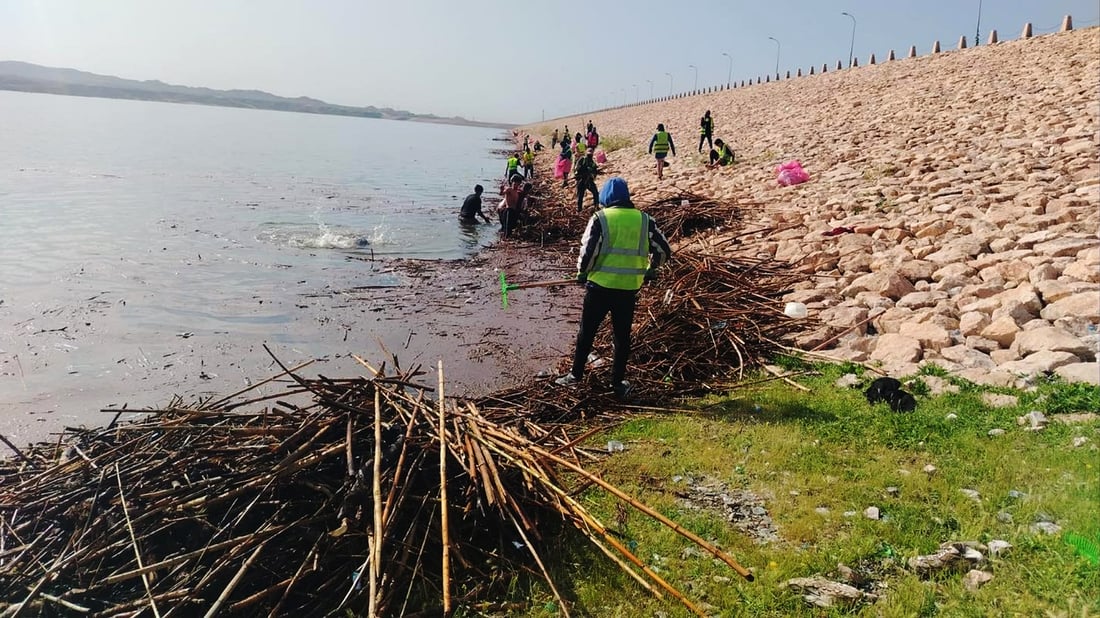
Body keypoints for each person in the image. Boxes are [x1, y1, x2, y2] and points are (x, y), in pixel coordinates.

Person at [555, 177, 672, 399]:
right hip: (628, 290)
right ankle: (617, 382)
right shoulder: (645, 220)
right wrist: (651, 268)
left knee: (587, 332)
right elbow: (664, 250)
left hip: (600, 287)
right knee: (621, 336)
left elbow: (588, 251)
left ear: (606, 198)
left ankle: (575, 375)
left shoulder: (600, 218)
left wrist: (582, 272)